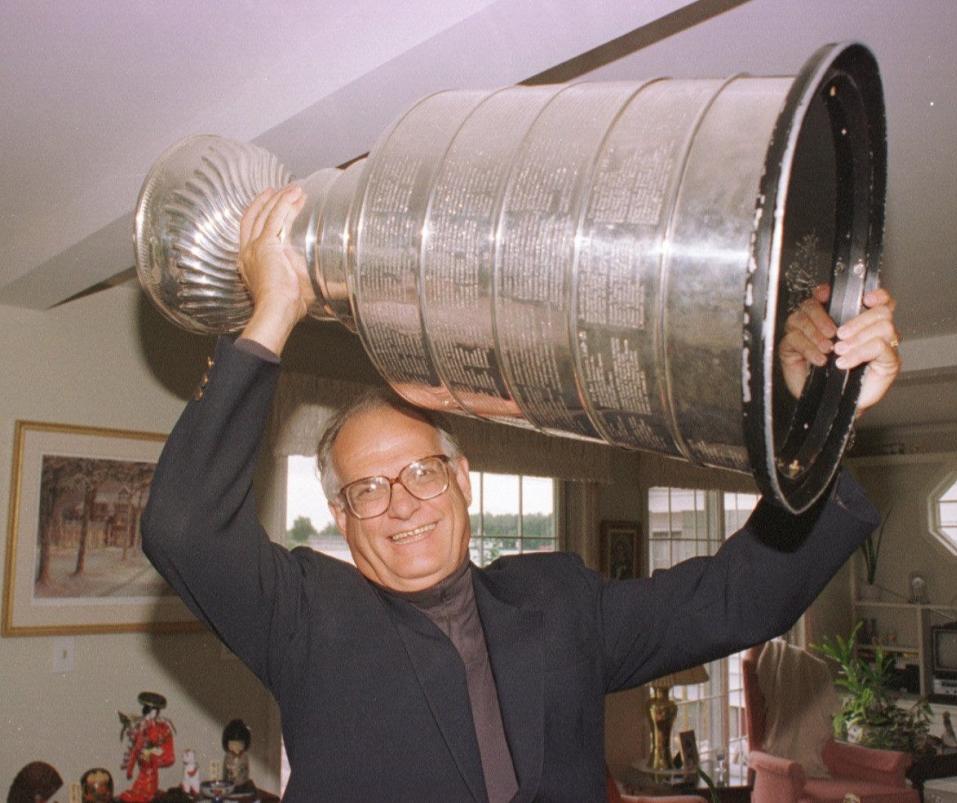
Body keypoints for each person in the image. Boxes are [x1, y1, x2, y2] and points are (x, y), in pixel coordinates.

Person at [142, 185, 902, 801]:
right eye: (367, 489)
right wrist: (273, 310)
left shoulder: (556, 600)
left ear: (462, 479)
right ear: (340, 513)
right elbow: (183, 527)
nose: (402, 504)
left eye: (420, 472)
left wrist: (815, 419)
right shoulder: (303, 616)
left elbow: (738, 598)